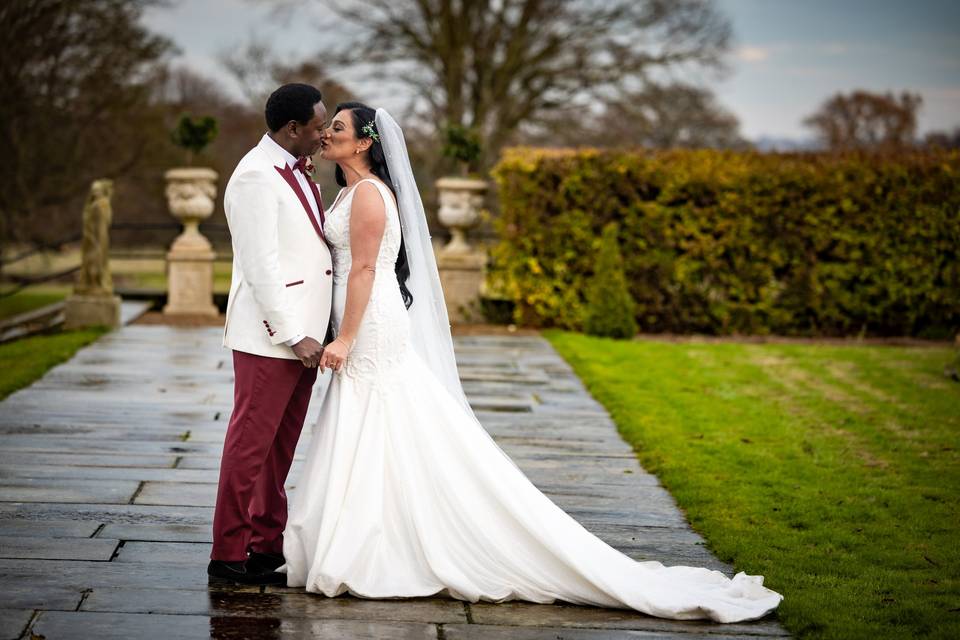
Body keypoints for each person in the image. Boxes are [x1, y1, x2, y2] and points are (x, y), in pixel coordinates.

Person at [281, 102, 784, 623]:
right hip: (366, 320)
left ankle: (374, 547)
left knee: (380, 417)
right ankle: (370, 535)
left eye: (336, 128)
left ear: (364, 142)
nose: (327, 136)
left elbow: (363, 269)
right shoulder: (348, 190)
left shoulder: (366, 195)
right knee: (380, 423)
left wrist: (344, 337)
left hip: (370, 323)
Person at [209, 84, 333, 585]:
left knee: (279, 448)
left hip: (307, 336)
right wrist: (293, 333)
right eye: (320, 126)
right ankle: (227, 554)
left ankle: (265, 546)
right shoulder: (255, 177)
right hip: (272, 338)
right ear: (293, 129)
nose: (324, 133)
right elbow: (259, 267)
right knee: (249, 447)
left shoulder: (301, 172)